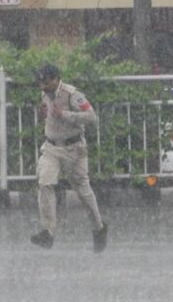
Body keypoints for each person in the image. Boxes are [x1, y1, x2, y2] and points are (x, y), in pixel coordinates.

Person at [30, 63, 108, 253]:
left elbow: (92, 118)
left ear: (56, 79)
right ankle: (47, 232)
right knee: (45, 183)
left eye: (46, 82)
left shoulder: (72, 94)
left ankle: (99, 228)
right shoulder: (44, 94)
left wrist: (64, 114)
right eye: (40, 82)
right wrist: (42, 116)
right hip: (51, 147)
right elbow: (47, 117)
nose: (43, 86)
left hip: (74, 149)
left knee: (83, 192)